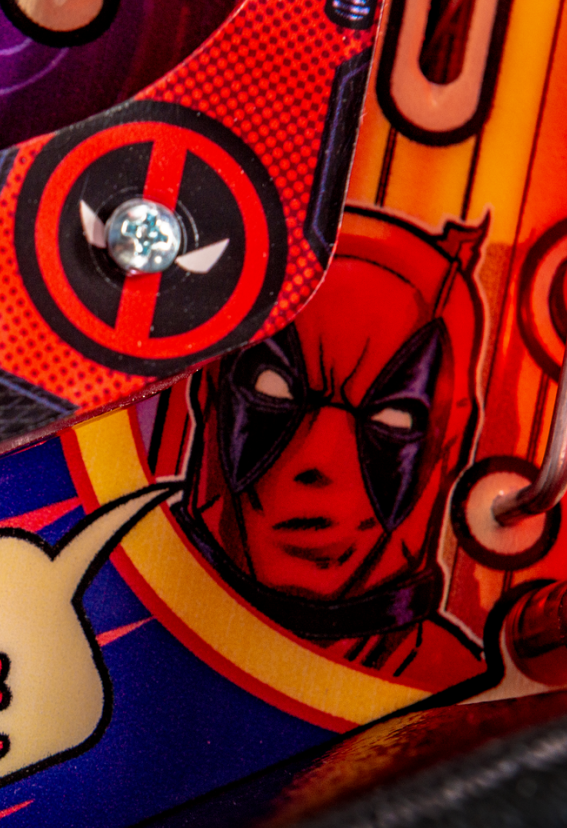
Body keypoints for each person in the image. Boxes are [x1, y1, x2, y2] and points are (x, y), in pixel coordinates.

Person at [178, 207, 489, 678]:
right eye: (274, 389)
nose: (319, 460)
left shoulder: (459, 688)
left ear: (450, 446)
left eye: (392, 416)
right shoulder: (97, 580)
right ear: (210, 391)